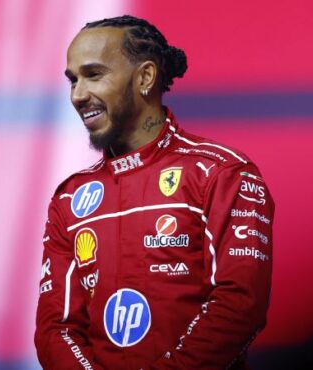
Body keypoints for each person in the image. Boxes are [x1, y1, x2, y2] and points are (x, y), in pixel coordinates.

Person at [35, 15, 274, 370]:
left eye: (94, 74)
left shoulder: (222, 173)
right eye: (73, 80)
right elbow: (56, 328)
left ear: (145, 77)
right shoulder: (70, 197)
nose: (78, 95)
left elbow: (239, 304)